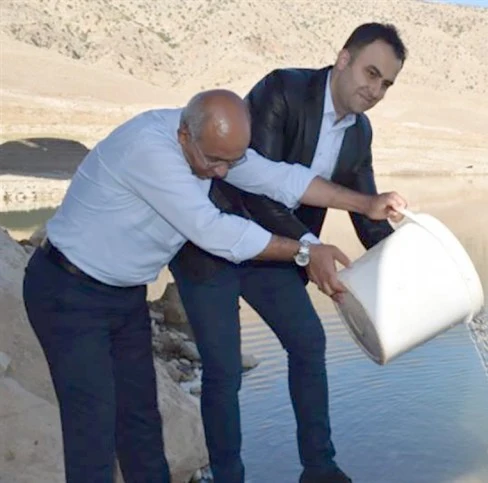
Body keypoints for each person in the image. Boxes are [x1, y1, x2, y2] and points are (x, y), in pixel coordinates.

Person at [22, 89, 407, 483]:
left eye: (231, 162)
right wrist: (305, 251)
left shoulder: (210, 144)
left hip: (125, 295)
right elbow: (214, 231)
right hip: (69, 292)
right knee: (92, 428)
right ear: (184, 136)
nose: (222, 173)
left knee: (140, 421)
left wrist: (366, 204)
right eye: (214, 162)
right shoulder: (151, 151)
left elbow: (278, 178)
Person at [169, 23, 408, 483]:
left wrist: (402, 260)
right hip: (212, 242)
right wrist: (310, 248)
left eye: (386, 83)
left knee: (308, 342)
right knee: (224, 368)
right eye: (371, 73)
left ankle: (319, 468)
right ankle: (228, 476)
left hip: (277, 253)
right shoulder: (283, 90)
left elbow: (366, 208)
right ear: (344, 58)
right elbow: (254, 185)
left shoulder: (359, 132)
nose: (376, 90)